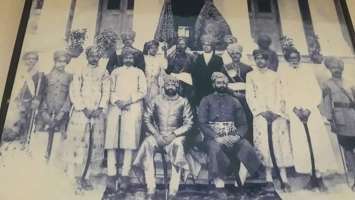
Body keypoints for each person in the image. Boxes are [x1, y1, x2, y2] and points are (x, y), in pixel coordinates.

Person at [132, 75, 201, 200]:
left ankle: (173, 190)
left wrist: (174, 135)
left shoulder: (183, 102)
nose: (170, 87)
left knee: (178, 146)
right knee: (147, 144)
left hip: (176, 136)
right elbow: (147, 118)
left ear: (177, 86)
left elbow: (189, 123)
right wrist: (157, 135)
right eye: (168, 85)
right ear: (164, 86)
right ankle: (151, 188)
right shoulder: (156, 99)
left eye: (173, 85)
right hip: (157, 134)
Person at [279, 48, 337, 192]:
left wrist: (309, 108)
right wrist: (295, 109)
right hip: (296, 113)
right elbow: (284, 92)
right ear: (287, 59)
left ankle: (320, 178)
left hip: (311, 112)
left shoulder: (307, 71)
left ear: (299, 57)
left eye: (296, 57)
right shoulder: (284, 73)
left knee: (316, 143)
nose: (294, 60)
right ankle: (311, 178)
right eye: (291, 58)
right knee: (303, 144)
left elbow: (315, 91)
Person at [197, 72, 263, 199]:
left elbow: (243, 124)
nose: (221, 85)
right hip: (213, 138)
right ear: (213, 84)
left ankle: (240, 184)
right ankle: (219, 186)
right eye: (219, 83)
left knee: (247, 147)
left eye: (224, 83)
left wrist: (237, 136)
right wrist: (217, 137)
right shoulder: (206, 100)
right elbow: (202, 123)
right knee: (215, 149)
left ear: (227, 85)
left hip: (232, 136)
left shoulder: (235, 101)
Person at [63, 46, 110, 193]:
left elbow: (106, 91)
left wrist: (100, 108)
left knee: (91, 144)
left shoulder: (104, 72)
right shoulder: (80, 71)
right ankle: (72, 176)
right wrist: (83, 108)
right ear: (87, 56)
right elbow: (74, 90)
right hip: (81, 113)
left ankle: (86, 175)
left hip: (96, 114)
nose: (94, 58)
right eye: (92, 55)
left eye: (97, 55)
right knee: (76, 142)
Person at [246, 50, 293, 192]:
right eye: (257, 58)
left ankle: (283, 177)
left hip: (276, 115)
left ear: (267, 60)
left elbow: (281, 93)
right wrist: (261, 111)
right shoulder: (251, 75)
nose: (260, 61)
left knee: (280, 143)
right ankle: (268, 177)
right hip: (261, 115)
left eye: (262, 58)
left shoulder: (275, 75)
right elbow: (250, 95)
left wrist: (276, 111)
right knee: (264, 144)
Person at [105, 50, 147, 196]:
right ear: (122, 58)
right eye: (126, 57)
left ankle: (124, 177)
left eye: (131, 57)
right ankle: (111, 175)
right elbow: (109, 90)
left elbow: (143, 91)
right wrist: (118, 101)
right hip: (115, 108)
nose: (128, 59)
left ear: (134, 59)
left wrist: (129, 101)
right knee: (112, 142)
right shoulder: (115, 72)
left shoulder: (139, 72)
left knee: (129, 143)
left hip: (133, 107)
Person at [1, 51, 46, 156]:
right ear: (24, 61)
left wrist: (37, 101)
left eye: (33, 59)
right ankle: (6, 149)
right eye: (28, 59)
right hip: (16, 105)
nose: (30, 61)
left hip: (29, 106)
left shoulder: (39, 76)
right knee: (10, 126)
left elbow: (41, 92)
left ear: (36, 61)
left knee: (24, 127)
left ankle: (20, 149)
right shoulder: (18, 73)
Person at [31, 50, 73, 163]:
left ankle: (53, 169)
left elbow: (70, 97)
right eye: (59, 61)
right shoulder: (46, 77)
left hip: (61, 116)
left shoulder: (69, 77)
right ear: (55, 61)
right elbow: (41, 94)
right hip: (44, 115)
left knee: (58, 144)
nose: (62, 64)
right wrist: (44, 113)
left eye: (64, 61)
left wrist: (61, 114)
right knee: (40, 142)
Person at [322, 56, 355, 192]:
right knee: (347, 149)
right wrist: (330, 119)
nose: (336, 70)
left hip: (353, 116)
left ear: (341, 68)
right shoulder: (327, 84)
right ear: (330, 69)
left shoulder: (349, 82)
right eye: (333, 68)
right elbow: (326, 102)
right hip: (340, 120)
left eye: (338, 67)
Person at [221, 43, 254, 143]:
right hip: (231, 97)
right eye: (233, 53)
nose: (235, 55)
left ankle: (248, 141)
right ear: (230, 55)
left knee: (246, 119)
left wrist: (245, 95)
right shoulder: (225, 67)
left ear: (240, 55)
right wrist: (234, 93)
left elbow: (251, 84)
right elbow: (223, 84)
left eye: (237, 53)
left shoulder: (248, 68)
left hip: (246, 98)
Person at [190, 35, 224, 106]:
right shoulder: (197, 58)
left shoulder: (218, 59)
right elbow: (193, 72)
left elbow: (220, 73)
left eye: (208, 45)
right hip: (199, 88)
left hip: (212, 88)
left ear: (212, 46)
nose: (206, 46)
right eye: (204, 45)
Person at [165, 37, 195, 106]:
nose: (180, 46)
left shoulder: (190, 56)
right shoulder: (172, 56)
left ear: (186, 45)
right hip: (174, 81)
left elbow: (193, 70)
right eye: (179, 44)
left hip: (186, 82)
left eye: (183, 44)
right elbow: (168, 71)